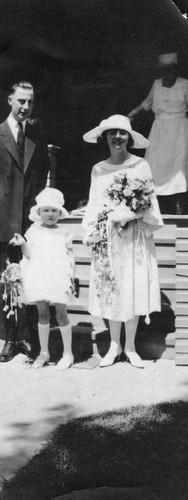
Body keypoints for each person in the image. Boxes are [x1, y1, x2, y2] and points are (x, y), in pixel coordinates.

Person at [82, 115, 163, 368]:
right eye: (112, 133)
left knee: (131, 288)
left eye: (122, 133)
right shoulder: (98, 169)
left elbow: (149, 201)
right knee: (111, 290)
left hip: (134, 237)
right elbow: (94, 203)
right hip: (108, 238)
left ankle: (130, 347)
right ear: (104, 137)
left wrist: (132, 214)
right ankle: (114, 346)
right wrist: (92, 231)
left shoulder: (140, 165)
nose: (117, 137)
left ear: (129, 137)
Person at [0, 81, 50, 362]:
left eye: (30, 102)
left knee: (29, 277)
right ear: (10, 100)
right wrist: (2, 206)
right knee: (6, 278)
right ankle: (9, 339)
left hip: (29, 219)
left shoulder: (36, 138)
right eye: (21, 101)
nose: (25, 107)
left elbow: (41, 174)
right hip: (2, 218)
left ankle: (28, 337)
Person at [10, 188, 75, 370]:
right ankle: (44, 352)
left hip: (59, 277)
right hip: (40, 276)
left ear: (59, 213)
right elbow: (29, 255)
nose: (50, 214)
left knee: (61, 314)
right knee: (43, 314)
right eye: (46, 210)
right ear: (39, 212)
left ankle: (68, 354)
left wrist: (72, 278)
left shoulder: (64, 232)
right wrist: (23, 243)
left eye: (54, 210)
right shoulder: (33, 230)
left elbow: (70, 256)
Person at [128, 52, 188, 214]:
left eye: (172, 69)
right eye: (165, 69)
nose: (169, 72)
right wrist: (132, 113)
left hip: (179, 130)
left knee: (179, 166)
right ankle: (159, 207)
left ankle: (180, 205)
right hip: (159, 130)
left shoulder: (185, 84)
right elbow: (147, 102)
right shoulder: (157, 84)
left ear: (176, 69)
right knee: (157, 165)